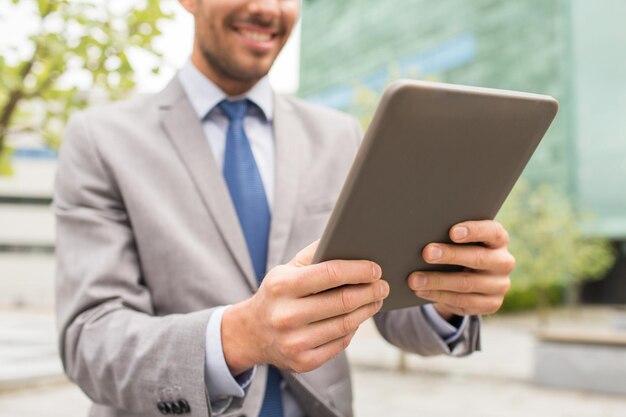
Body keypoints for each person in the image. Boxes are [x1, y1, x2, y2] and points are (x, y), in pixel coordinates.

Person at [54, 1, 514, 416]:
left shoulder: (339, 136)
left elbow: (392, 310)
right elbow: (90, 342)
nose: (266, 9)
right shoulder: (101, 140)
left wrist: (449, 297)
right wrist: (241, 336)